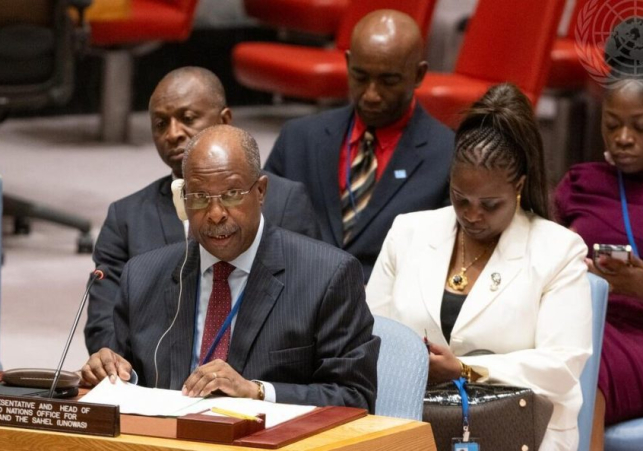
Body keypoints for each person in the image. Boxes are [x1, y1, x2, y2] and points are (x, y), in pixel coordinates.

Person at [80, 125, 379, 411]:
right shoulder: (144, 276)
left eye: (231, 195)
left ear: (261, 191)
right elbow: (135, 381)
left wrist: (258, 392)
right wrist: (114, 375)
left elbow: (354, 395)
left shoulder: (327, 276)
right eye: (199, 198)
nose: (215, 214)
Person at [366, 83, 591, 449]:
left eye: (490, 204)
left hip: (520, 435)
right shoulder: (409, 231)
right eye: (461, 199)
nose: (473, 215)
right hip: (413, 426)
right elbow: (370, 335)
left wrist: (465, 370)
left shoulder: (558, 250)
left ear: (518, 186)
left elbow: (562, 367)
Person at [85, 67, 321, 354]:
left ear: (225, 120)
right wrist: (116, 367)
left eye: (187, 119)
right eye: (160, 123)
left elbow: (312, 304)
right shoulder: (127, 217)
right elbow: (104, 325)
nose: (172, 134)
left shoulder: (285, 201)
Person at [264, 10, 454, 281]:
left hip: (387, 310)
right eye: (360, 77)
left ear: (419, 74)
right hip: (295, 295)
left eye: (388, 81)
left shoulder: (448, 155)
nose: (371, 94)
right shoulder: (298, 138)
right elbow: (262, 229)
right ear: (348, 63)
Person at [555, 68, 643, 433]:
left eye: (640, 127)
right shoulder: (580, 183)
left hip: (634, 338)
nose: (623, 138)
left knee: (587, 356)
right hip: (585, 321)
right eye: (612, 125)